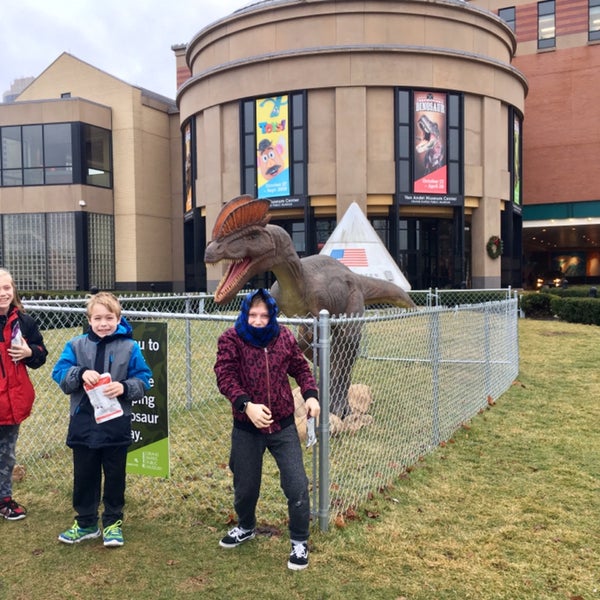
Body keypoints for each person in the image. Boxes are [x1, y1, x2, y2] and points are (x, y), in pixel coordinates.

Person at [214, 288, 320, 570]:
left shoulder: (283, 336)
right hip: (247, 428)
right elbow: (224, 376)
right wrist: (246, 405)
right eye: (252, 314)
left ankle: (299, 541)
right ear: (244, 314)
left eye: (264, 315)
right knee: (246, 487)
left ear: (272, 315)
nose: (259, 320)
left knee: (296, 484)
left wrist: (310, 395)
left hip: (283, 425)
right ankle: (246, 526)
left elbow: (301, 368)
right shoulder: (231, 339)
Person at [52, 292, 151, 547]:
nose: (103, 323)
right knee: (84, 474)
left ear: (118, 319)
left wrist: (125, 388)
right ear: (89, 319)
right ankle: (86, 523)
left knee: (115, 475)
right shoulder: (75, 345)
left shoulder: (130, 348)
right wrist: (80, 374)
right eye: (98, 318)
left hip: (116, 424)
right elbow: (59, 373)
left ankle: (113, 522)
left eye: (109, 317)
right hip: (83, 422)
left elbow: (145, 379)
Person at [0, 269, 48, 520]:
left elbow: (41, 354)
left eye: (7, 287)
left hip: (11, 403)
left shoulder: (25, 322)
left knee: (6, 454)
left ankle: (4, 500)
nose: (3, 293)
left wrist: (30, 353)